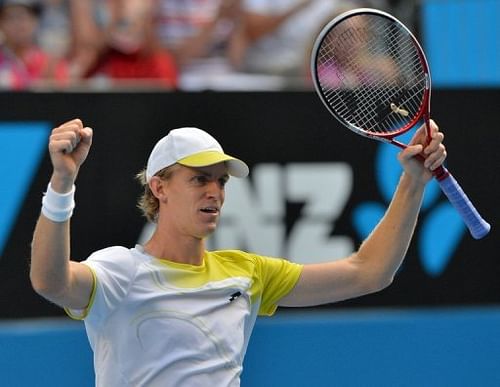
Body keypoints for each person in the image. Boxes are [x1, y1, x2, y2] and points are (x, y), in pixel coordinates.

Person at [30, 117, 446, 386]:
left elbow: (368, 272)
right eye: (200, 180)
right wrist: (62, 183)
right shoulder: (118, 271)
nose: (215, 192)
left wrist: (412, 182)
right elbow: (50, 281)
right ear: (160, 188)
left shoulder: (245, 274)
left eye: (221, 182)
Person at [0, 0, 69, 89]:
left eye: (22, 17)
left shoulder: (51, 63)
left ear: (34, 21)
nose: (17, 24)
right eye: (10, 18)